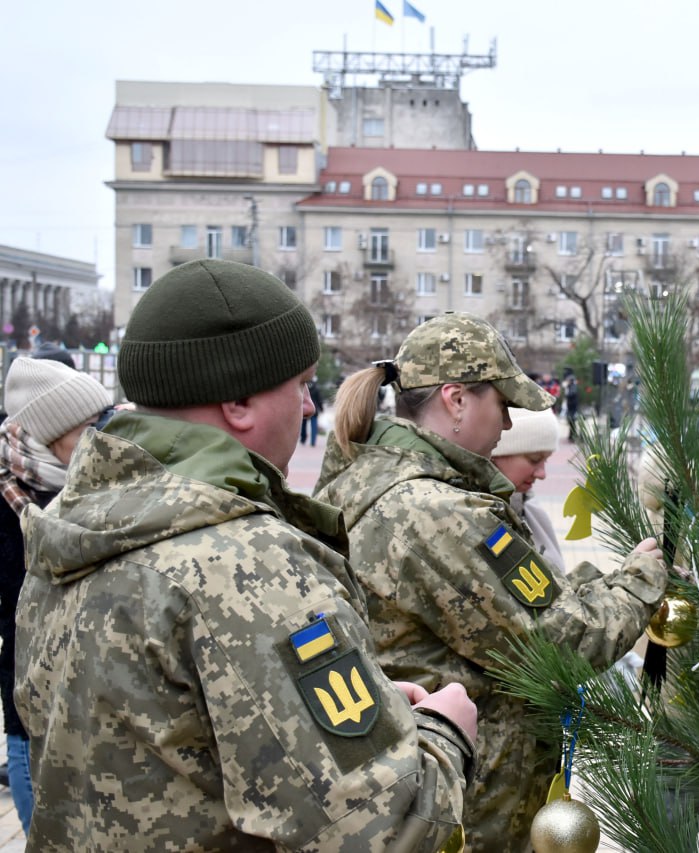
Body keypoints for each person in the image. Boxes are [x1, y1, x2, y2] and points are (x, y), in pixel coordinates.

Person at [15, 259, 477, 851]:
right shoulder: (244, 563)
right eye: (300, 384)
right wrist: (444, 731)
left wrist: (374, 702)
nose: (308, 407)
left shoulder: (72, 527)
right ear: (238, 401)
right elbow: (380, 832)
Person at [314, 313, 669, 852]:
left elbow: (509, 609)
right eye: (502, 405)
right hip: (471, 810)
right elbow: (564, 644)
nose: (505, 425)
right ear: (456, 399)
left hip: (421, 789)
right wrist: (642, 577)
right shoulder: (437, 513)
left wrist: (604, 581)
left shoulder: (369, 482)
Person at [0, 357, 113, 832]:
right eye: (89, 426)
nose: (101, 436)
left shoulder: (97, 484)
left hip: (96, 691)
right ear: (50, 433)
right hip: (30, 687)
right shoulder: (10, 495)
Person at [490, 407, 564, 572]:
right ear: (495, 453)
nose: (542, 474)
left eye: (546, 460)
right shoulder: (482, 519)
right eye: (535, 459)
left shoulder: (528, 507)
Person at [300, 377, 324, 446]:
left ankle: (303, 439)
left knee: (303, 425)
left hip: (304, 408)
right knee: (314, 426)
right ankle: (313, 442)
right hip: (314, 410)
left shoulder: (304, 387)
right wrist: (321, 408)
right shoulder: (316, 388)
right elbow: (319, 399)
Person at [562, 368, 580, 442]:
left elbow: (571, 394)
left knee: (572, 422)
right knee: (570, 422)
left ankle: (573, 436)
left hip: (573, 407)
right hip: (570, 407)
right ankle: (571, 436)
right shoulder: (569, 387)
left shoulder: (573, 386)